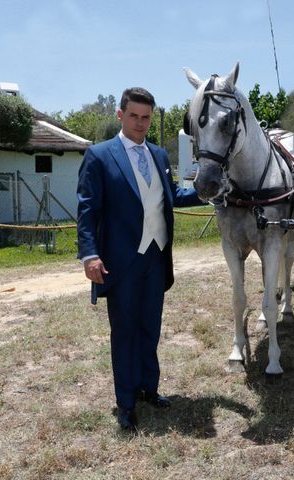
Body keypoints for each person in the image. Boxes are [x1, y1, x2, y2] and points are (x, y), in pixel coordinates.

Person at [77, 87, 204, 432]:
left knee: (150, 328)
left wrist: (206, 191)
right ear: (120, 115)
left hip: (156, 258)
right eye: (133, 115)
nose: (140, 123)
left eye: (146, 117)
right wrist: (89, 254)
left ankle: (149, 388)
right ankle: (126, 403)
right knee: (125, 331)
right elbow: (88, 211)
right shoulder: (99, 156)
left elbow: (171, 196)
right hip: (121, 261)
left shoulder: (160, 156)